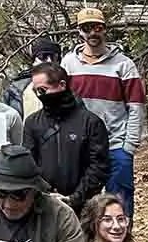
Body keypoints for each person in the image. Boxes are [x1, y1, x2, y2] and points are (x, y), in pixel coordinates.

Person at [61, 7, 147, 210]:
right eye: (86, 28)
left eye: (97, 27)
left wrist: (129, 146)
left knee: (119, 203)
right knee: (82, 202)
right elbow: (63, 104)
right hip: (81, 146)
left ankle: (121, 241)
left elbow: (136, 107)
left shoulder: (124, 65)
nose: (92, 33)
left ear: (105, 29)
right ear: (79, 32)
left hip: (116, 145)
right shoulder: (68, 64)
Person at [23, 63, 111, 211]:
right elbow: (29, 164)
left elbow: (98, 167)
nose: (40, 96)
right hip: (42, 206)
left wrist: (75, 198)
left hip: (84, 207)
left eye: (42, 90)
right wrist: (45, 195)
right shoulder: (33, 123)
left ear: (62, 85)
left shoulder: (90, 122)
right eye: (36, 91)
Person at [9, 36, 64, 117]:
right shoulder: (18, 89)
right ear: (34, 62)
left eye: (53, 57)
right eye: (43, 56)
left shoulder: (68, 86)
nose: (49, 61)